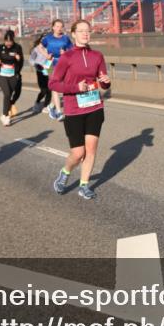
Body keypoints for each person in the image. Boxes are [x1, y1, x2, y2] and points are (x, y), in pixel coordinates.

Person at [48, 20, 111, 200]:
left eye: (88, 31)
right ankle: (65, 172)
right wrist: (76, 87)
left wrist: (106, 81)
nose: (85, 34)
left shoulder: (97, 56)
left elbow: (103, 83)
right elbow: (53, 83)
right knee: (78, 153)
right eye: (81, 31)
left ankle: (84, 185)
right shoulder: (67, 57)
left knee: (90, 150)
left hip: (94, 107)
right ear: (73, 34)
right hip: (74, 110)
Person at [40, 19, 73, 121]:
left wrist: (65, 53)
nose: (59, 28)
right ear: (53, 27)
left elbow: (72, 50)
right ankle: (58, 112)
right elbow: (40, 47)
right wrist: (46, 55)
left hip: (62, 63)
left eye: (61, 26)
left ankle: (51, 106)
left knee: (62, 87)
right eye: (57, 26)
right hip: (51, 63)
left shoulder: (66, 38)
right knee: (55, 87)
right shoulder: (48, 38)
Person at [0, 29, 24, 126]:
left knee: (12, 94)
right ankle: (5, 116)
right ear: (4, 40)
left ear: (13, 40)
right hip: (1, 74)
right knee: (7, 94)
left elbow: (21, 62)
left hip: (13, 74)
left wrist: (19, 59)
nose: (8, 44)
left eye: (10, 42)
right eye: (6, 42)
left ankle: (9, 106)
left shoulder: (17, 47)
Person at [28, 34, 51, 115]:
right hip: (40, 71)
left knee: (49, 90)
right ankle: (37, 102)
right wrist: (36, 64)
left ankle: (46, 106)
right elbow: (31, 60)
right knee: (43, 90)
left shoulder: (50, 48)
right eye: (43, 39)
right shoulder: (36, 49)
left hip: (49, 71)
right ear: (40, 40)